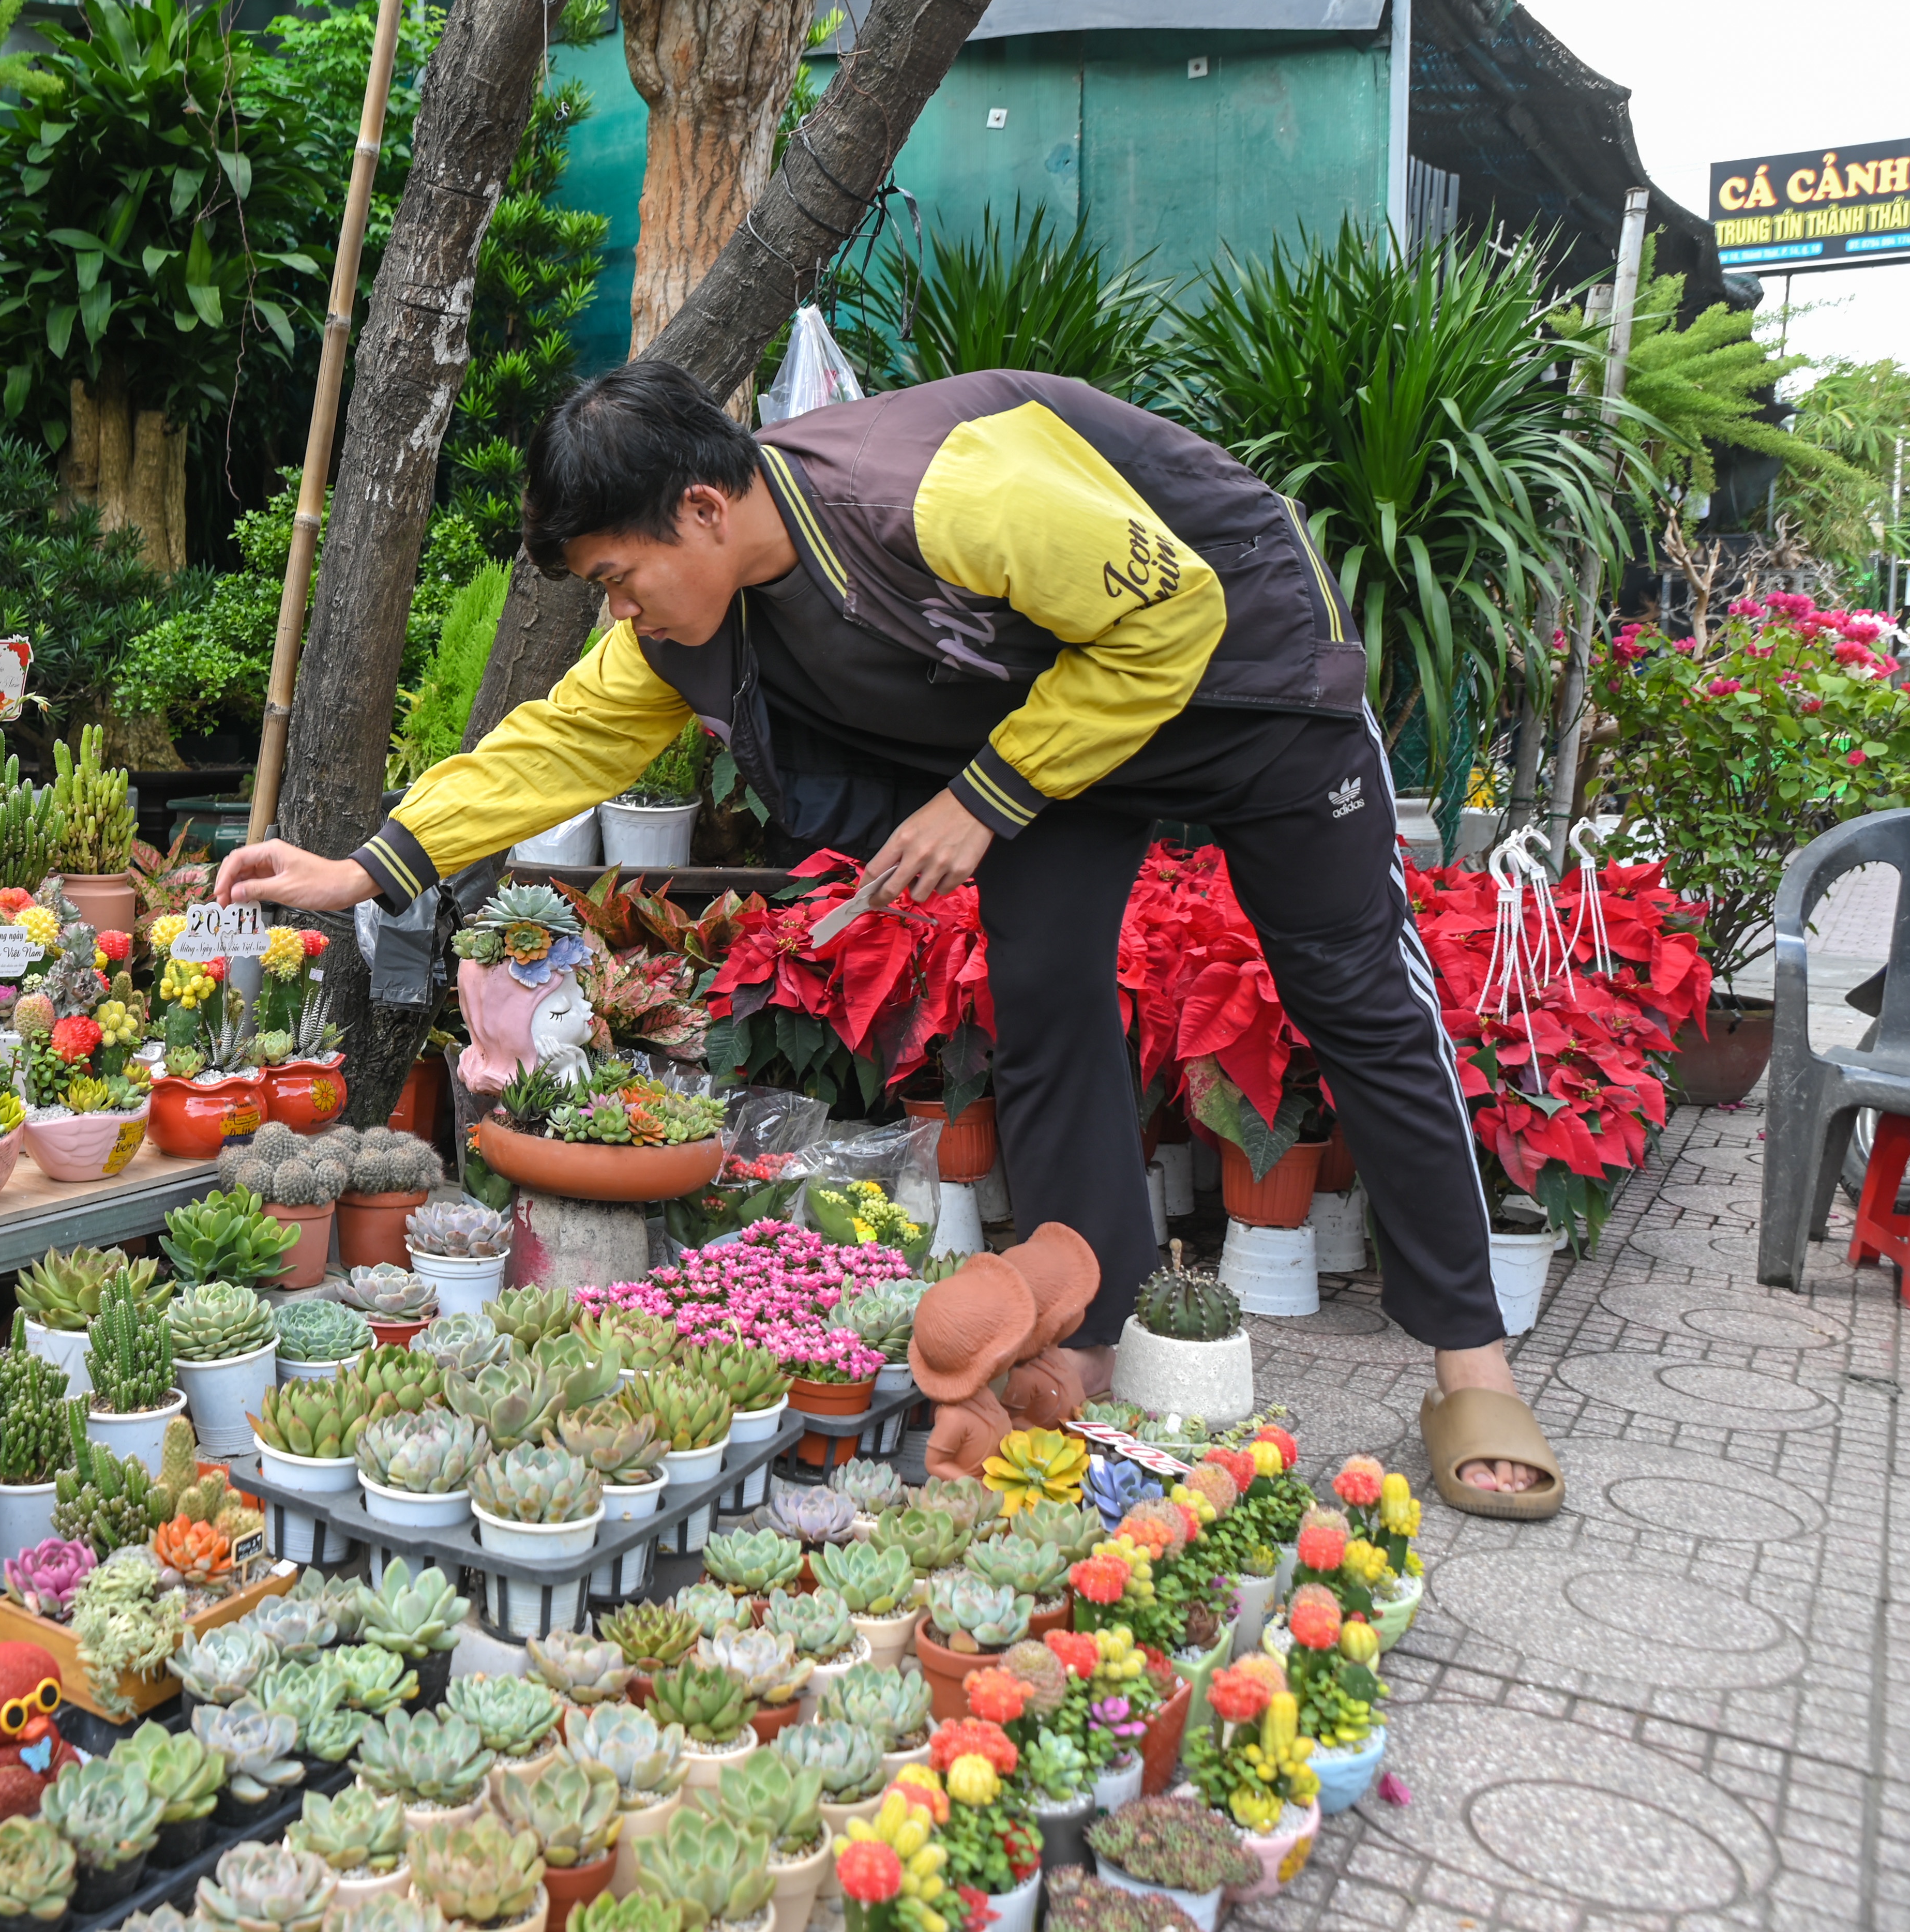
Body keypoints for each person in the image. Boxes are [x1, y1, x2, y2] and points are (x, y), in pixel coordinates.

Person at [216, 359, 1561, 1518]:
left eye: (620, 581)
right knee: (1042, 1001)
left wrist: (976, 801)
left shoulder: (946, 491)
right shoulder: (691, 627)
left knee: (1352, 996)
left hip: (1239, 681)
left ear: (700, 508)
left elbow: (1173, 613)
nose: (619, 615)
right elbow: (556, 744)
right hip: (1067, 734)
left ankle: (1471, 1370)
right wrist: (363, 865)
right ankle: (1083, 1343)